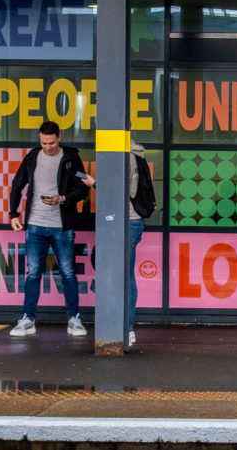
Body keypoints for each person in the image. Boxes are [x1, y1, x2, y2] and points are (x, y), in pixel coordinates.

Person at [8, 121, 91, 338]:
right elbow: (18, 184)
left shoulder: (71, 157)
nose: (48, 147)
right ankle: (28, 318)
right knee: (33, 273)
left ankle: (74, 319)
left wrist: (63, 199)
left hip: (62, 226)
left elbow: (82, 188)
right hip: (35, 223)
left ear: (59, 138)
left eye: (52, 142)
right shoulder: (33, 157)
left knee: (68, 272)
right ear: (39, 139)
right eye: (44, 142)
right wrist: (13, 214)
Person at [76, 139, 148, 348]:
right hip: (130, 221)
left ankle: (125, 328)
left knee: (119, 275)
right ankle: (126, 327)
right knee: (123, 274)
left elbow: (117, 191)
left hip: (123, 220)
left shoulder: (124, 155)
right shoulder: (135, 154)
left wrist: (93, 183)